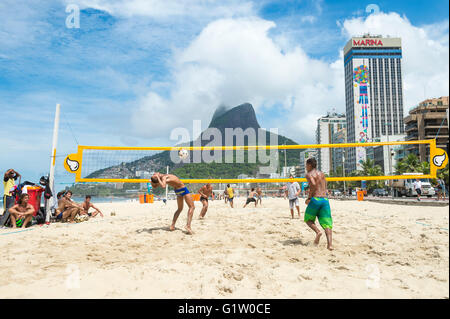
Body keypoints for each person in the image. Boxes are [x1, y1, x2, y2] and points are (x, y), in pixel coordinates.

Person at [304, 158, 333, 250]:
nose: (306, 167)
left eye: (306, 165)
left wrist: (309, 198)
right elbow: (325, 186)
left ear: (309, 165)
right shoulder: (322, 174)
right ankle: (330, 245)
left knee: (308, 219)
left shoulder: (309, 174)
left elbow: (312, 184)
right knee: (327, 224)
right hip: (325, 200)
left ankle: (317, 232)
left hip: (315, 199)